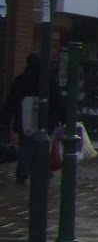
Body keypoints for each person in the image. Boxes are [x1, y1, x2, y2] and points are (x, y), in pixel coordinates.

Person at [2, 53, 61, 185]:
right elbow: (58, 100)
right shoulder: (48, 80)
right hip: (45, 119)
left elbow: (11, 100)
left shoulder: (21, 79)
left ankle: (23, 172)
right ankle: (43, 170)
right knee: (44, 144)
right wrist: (63, 118)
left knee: (25, 145)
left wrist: (6, 117)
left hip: (24, 119)